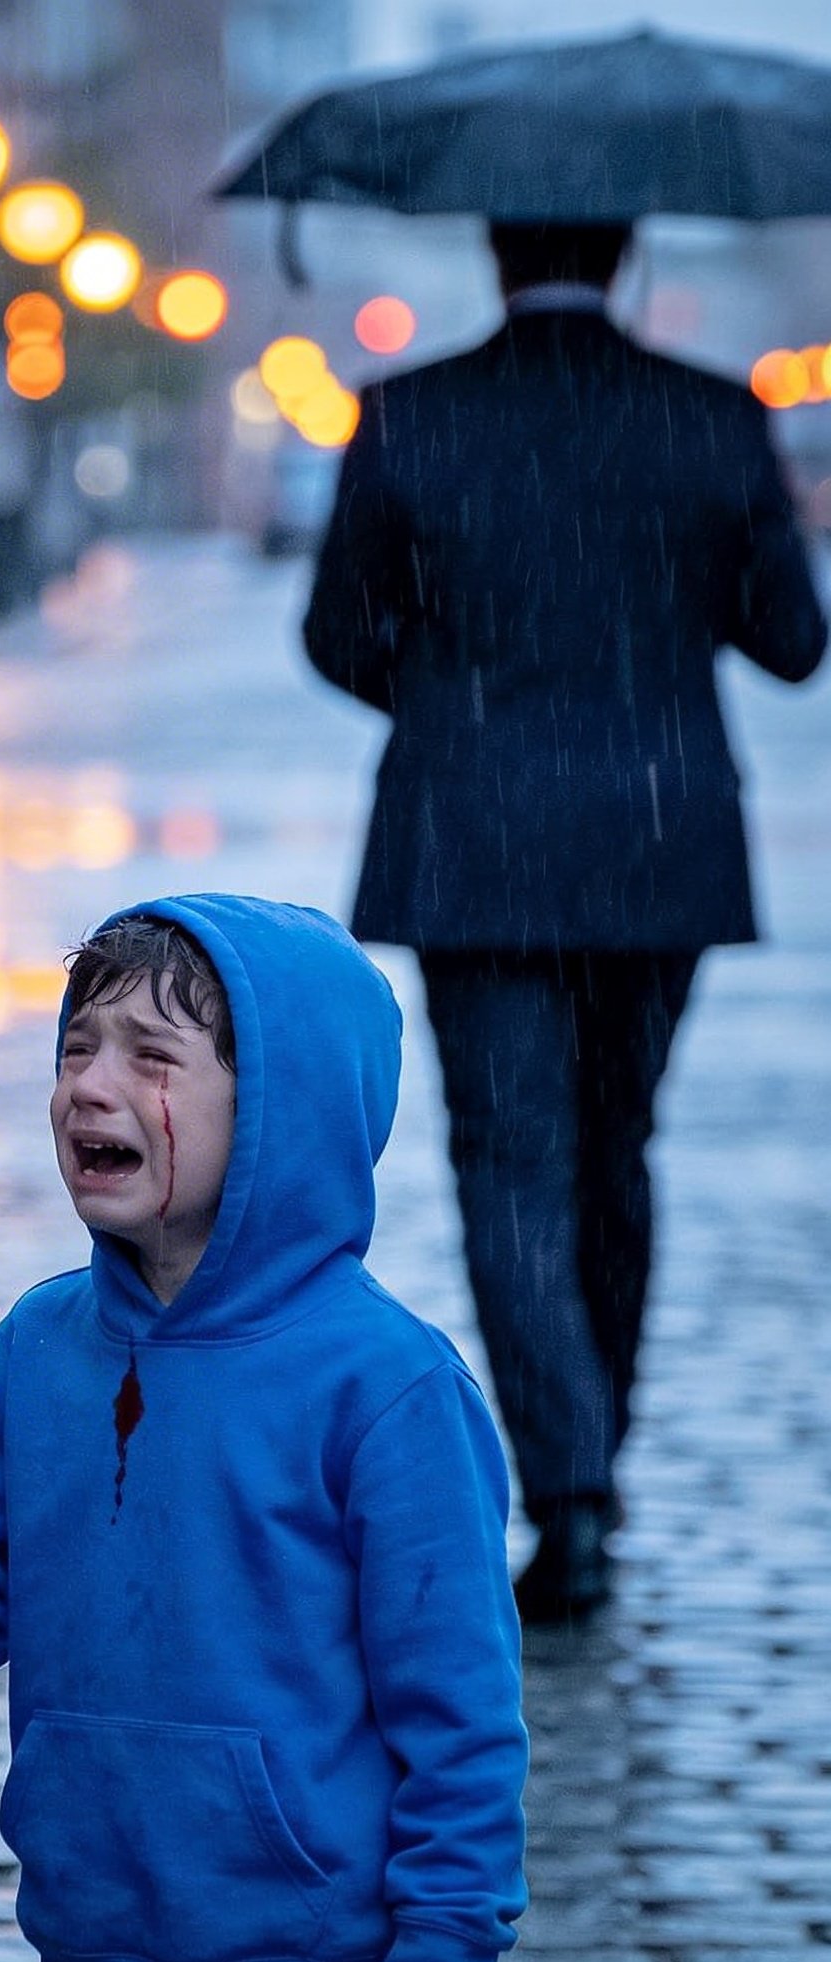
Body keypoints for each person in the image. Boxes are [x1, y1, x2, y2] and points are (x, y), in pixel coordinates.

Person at [0, 898, 528, 1962]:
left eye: (149, 1057)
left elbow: (459, 1712)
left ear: (277, 1113)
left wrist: (444, 1957)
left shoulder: (390, 1388)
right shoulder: (35, 1347)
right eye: (74, 1049)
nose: (87, 1087)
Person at [303, 220, 827, 1623]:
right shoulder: (713, 415)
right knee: (616, 1152)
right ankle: (595, 1460)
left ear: (491, 247)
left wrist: (464, 707)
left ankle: (570, 1486)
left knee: (511, 1161)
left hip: (475, 844)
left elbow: (337, 635)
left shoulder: (412, 413)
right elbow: (792, 639)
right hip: (658, 844)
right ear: (627, 250)